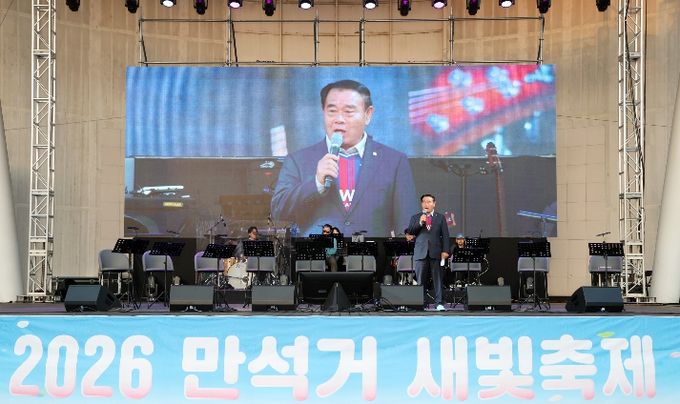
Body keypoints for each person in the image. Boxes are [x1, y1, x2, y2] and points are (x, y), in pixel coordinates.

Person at [271, 79, 417, 237]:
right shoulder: (298, 160)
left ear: (367, 115)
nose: (339, 119)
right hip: (317, 252)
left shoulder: (394, 161)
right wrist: (316, 183)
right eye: (332, 111)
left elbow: (407, 227)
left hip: (371, 252)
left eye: (348, 111)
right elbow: (278, 212)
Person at [407, 194, 450, 311]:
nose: (427, 204)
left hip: (436, 252)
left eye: (429, 202)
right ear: (421, 204)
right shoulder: (416, 217)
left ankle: (439, 303)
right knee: (420, 280)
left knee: (438, 279)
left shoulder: (440, 217)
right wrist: (420, 222)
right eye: (424, 202)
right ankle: (421, 303)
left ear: (434, 204)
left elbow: (445, 235)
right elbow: (410, 231)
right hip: (420, 252)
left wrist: (445, 250)